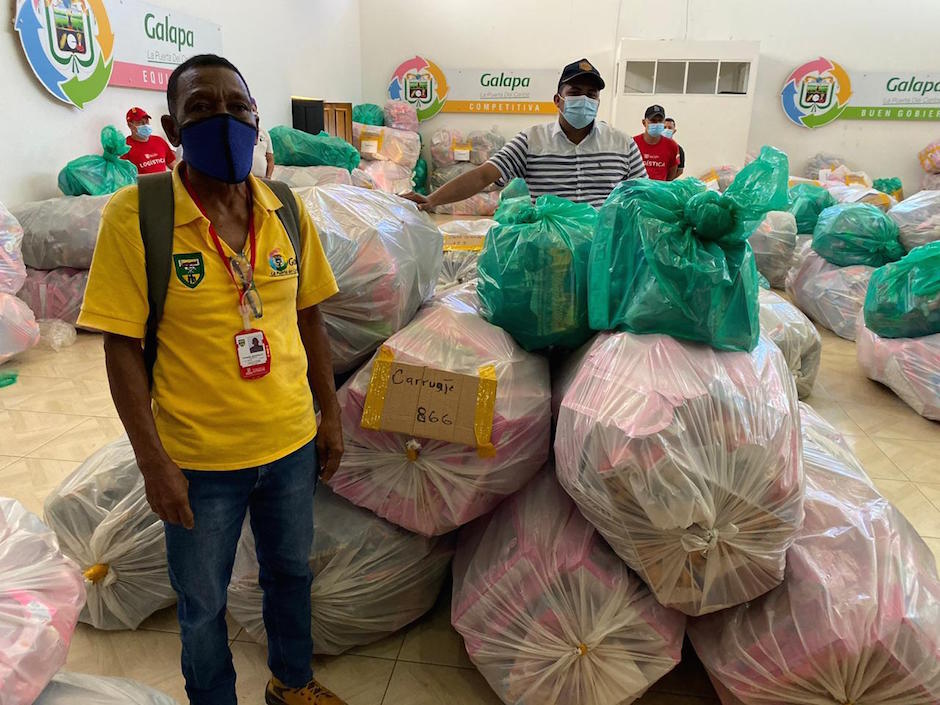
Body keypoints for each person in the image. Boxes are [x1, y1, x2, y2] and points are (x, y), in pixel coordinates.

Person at [78, 54, 347, 705]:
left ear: (257, 121)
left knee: (289, 575)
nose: (222, 120)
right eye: (201, 109)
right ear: (172, 127)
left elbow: (308, 317)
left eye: (237, 107)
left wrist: (329, 414)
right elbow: (121, 350)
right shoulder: (136, 216)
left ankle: (292, 682)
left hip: (287, 445)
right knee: (201, 605)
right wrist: (153, 463)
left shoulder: (284, 207)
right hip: (199, 462)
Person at [403, 58, 647, 210]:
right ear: (558, 100)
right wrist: (432, 199)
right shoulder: (531, 141)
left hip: (603, 254)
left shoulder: (622, 144)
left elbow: (644, 194)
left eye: (591, 94)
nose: (584, 99)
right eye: (575, 92)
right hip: (549, 251)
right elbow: (482, 176)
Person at [122, 107, 176, 174]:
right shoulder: (124, 147)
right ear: (130, 125)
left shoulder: (159, 141)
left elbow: (174, 167)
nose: (145, 125)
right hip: (140, 184)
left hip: (163, 183)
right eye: (140, 123)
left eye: (147, 121)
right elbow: (124, 177)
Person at [633, 105, 679, 181]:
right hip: (637, 191)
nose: (657, 123)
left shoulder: (672, 146)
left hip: (660, 191)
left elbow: (670, 177)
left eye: (660, 120)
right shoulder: (633, 143)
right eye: (653, 120)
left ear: (663, 122)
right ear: (644, 122)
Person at [251, 97, 275, 179]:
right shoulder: (240, 133)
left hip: (262, 180)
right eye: (249, 110)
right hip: (246, 181)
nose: (252, 113)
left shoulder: (264, 133)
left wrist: (268, 177)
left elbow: (270, 159)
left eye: (253, 110)